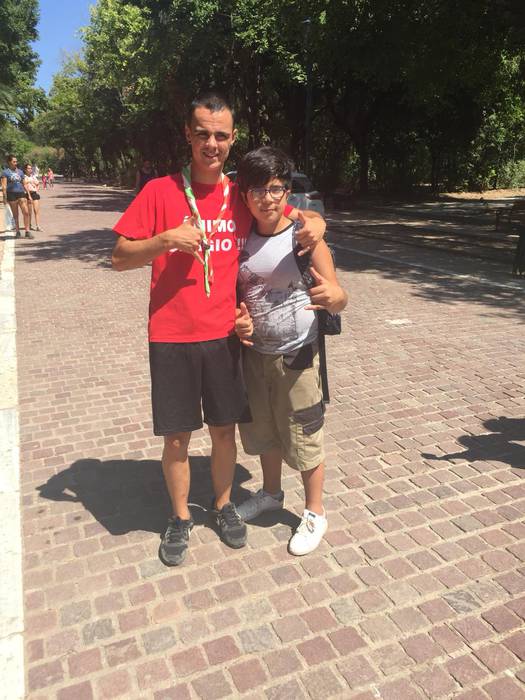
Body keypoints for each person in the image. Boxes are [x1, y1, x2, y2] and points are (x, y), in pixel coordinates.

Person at [111, 92, 326, 566]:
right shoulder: (160, 191)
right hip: (171, 335)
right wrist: (165, 240)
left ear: (232, 139)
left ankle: (224, 505)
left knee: (224, 432)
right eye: (203, 134)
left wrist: (318, 222)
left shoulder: (241, 195)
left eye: (221, 135)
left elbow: (295, 217)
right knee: (176, 438)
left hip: (226, 337)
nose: (212, 143)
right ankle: (179, 517)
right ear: (188, 135)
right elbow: (120, 257)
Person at [234, 146, 348, 555]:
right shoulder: (239, 237)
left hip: (298, 354)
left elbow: (339, 295)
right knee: (264, 429)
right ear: (244, 194)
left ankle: (315, 512)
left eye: (275, 188)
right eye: (257, 190)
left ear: (286, 191)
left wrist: (335, 297)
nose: (266, 198)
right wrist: (238, 319)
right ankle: (270, 493)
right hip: (254, 355)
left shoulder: (305, 236)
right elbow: (236, 294)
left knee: (304, 432)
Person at [1, 155, 32, 238]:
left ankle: (27, 231)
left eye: (16, 161)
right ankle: (18, 231)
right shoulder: (5, 172)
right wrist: (4, 197)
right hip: (11, 194)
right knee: (15, 214)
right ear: (9, 162)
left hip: (21, 193)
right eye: (14, 161)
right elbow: (4, 186)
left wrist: (29, 195)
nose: (16, 163)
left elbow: (24, 184)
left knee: (26, 212)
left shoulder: (20, 172)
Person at [24, 163, 42, 232]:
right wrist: (29, 195)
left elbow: (38, 183)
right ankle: (29, 225)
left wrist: (37, 189)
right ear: (25, 169)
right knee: (29, 211)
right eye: (28, 168)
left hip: (34, 194)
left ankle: (38, 226)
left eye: (31, 168)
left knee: (36, 210)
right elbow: (25, 185)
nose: (30, 169)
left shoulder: (33, 176)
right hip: (27, 194)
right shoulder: (24, 177)